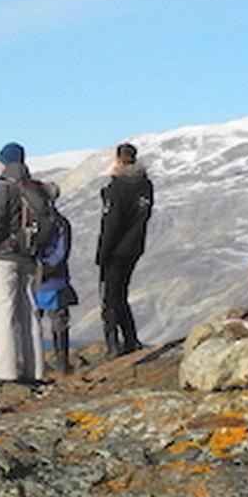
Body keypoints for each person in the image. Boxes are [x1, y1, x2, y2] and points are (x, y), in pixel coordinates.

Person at [0, 141, 42, 383]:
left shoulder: (4, 188)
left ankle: (5, 372)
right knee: (30, 315)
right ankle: (35, 371)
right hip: (31, 259)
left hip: (5, 259)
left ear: (4, 163)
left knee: (3, 315)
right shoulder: (34, 188)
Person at [96, 141, 154, 356]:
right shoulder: (145, 186)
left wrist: (102, 253)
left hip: (115, 250)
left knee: (111, 296)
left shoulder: (117, 188)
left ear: (119, 160)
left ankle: (114, 345)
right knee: (121, 293)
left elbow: (111, 224)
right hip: (135, 246)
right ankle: (130, 339)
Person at [33, 181, 77, 375]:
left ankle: (34, 363)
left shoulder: (31, 221)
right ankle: (62, 362)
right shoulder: (61, 222)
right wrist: (49, 267)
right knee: (59, 322)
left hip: (35, 280)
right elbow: (62, 251)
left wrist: (36, 268)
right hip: (56, 280)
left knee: (33, 323)